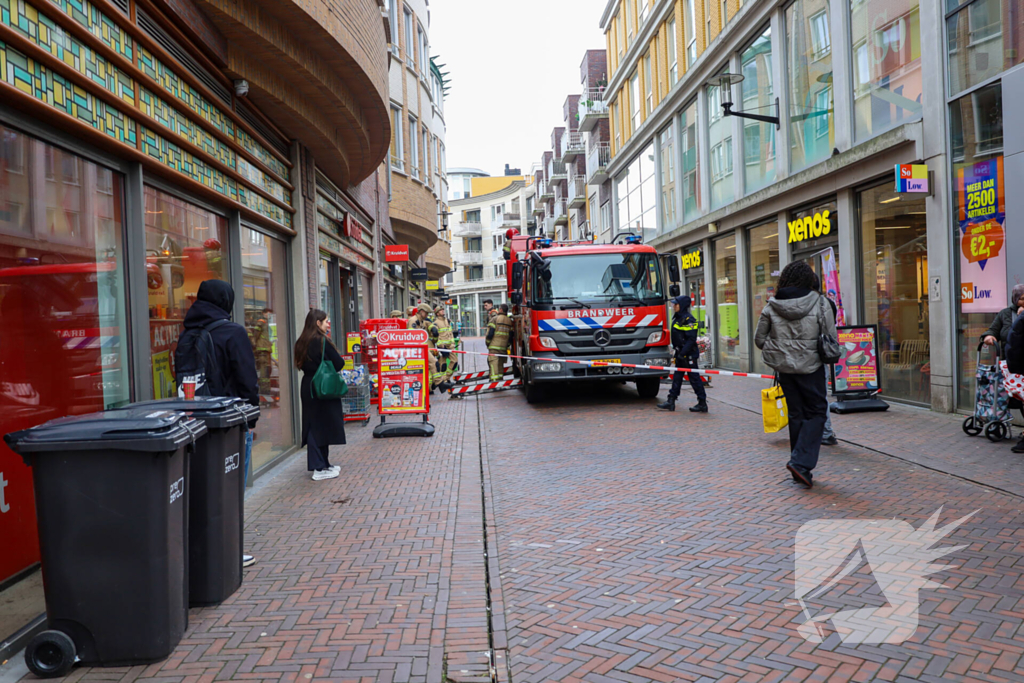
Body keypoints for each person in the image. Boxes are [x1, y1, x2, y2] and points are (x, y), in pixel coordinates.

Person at [181, 280, 260, 567]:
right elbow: (247, 378)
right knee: (230, 489)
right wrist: (251, 417)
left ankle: (200, 552)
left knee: (201, 489)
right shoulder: (232, 332)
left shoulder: (187, 334)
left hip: (192, 423)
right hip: (229, 423)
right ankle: (228, 552)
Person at [754, 261, 837, 489]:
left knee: (796, 414)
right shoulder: (820, 302)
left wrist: (781, 348)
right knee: (817, 412)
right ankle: (800, 464)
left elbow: (759, 340)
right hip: (812, 368)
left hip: (785, 369)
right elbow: (830, 337)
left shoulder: (772, 305)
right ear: (808, 280)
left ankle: (799, 467)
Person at [295, 309, 345, 481]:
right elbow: (339, 363)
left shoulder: (301, 341)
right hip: (323, 385)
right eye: (325, 321)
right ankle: (318, 467)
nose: (328, 324)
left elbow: (300, 364)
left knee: (314, 423)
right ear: (318, 323)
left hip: (308, 385)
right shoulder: (322, 341)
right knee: (321, 426)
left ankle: (324, 463)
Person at [983, 284, 1024, 450]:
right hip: (1010, 364)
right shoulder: (1005, 314)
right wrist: (989, 336)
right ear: (1015, 298)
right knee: (1013, 398)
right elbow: (992, 330)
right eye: (1022, 299)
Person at [657, 295, 707, 413]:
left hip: (688, 355)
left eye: (676, 304)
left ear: (682, 305)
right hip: (681, 354)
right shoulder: (678, 318)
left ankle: (702, 403)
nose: (674, 306)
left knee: (694, 379)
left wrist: (683, 353)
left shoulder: (689, 320)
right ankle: (671, 401)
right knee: (677, 378)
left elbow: (691, 339)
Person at [813, 274, 840, 447]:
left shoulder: (815, 304)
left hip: (808, 356)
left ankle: (824, 432)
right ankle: (825, 432)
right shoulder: (828, 303)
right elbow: (831, 330)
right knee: (821, 395)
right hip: (820, 355)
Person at [486, 303, 513, 381]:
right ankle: (500, 380)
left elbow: (490, 333)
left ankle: (494, 381)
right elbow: (511, 336)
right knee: (500, 365)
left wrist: (488, 343)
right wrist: (507, 345)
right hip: (503, 348)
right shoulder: (510, 321)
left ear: (501, 310)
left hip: (494, 347)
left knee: (493, 364)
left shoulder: (494, 319)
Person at [433, 306, 458, 385]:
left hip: (450, 346)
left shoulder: (447, 321)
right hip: (442, 347)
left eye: (443, 310)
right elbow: (436, 336)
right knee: (442, 365)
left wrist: (453, 343)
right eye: (441, 310)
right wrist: (440, 345)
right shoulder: (436, 323)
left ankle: (445, 378)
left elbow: (450, 333)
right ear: (437, 313)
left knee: (454, 362)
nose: (443, 311)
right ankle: (441, 381)